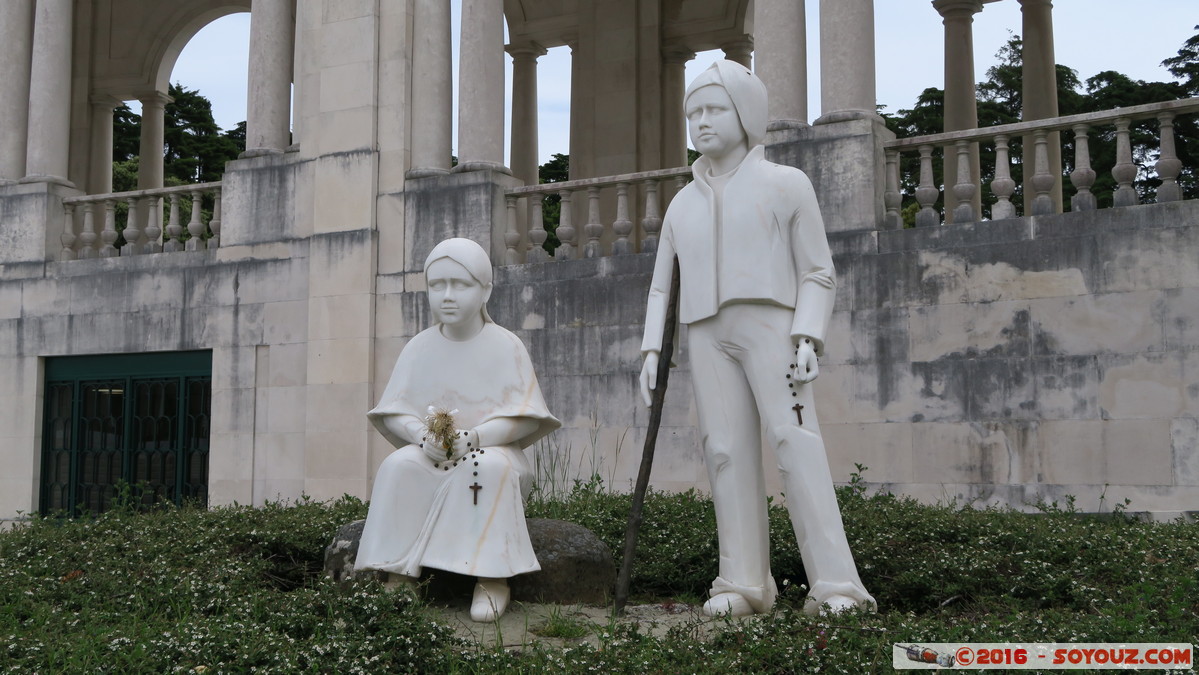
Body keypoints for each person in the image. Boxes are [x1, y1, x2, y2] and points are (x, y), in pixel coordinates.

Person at [639, 60, 875, 617]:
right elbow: (659, 287)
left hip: (772, 326)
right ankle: (743, 582)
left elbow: (818, 271)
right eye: (693, 111)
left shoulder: (786, 185)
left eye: (714, 108)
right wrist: (653, 348)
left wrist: (808, 336)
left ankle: (838, 585)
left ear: (746, 114)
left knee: (795, 443)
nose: (701, 121)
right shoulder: (680, 204)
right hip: (704, 332)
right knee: (724, 452)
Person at [357, 237, 560, 622]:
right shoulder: (418, 348)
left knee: (487, 468)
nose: (447, 296)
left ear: (485, 289)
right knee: (400, 466)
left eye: (461, 285)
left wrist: (475, 438)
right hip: (433, 452)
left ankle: (491, 576)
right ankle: (400, 571)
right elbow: (396, 410)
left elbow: (523, 415)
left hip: (492, 450)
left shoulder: (506, 347)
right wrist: (422, 437)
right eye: (437, 285)